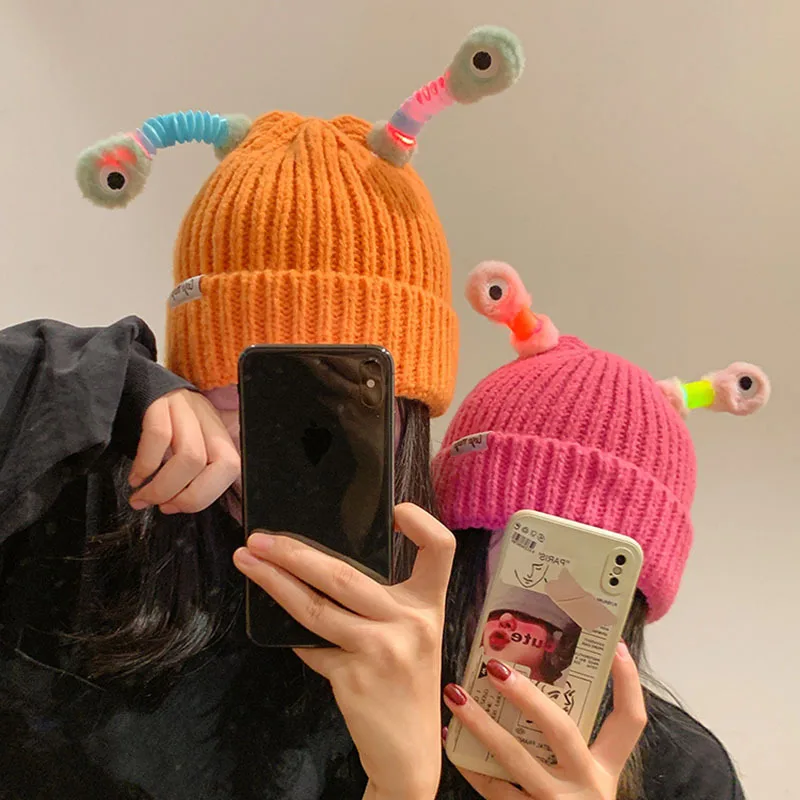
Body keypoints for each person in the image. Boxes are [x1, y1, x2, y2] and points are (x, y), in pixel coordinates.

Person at [0, 27, 525, 800]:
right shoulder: (83, 509)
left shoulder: (464, 636)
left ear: (407, 408)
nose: (292, 433)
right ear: (190, 373)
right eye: (255, 379)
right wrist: (103, 377)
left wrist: (405, 784)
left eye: (341, 391)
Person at [431, 263, 769, 799]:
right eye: (526, 545)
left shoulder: (689, 774)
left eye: (588, 567)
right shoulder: (352, 696)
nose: (545, 602)